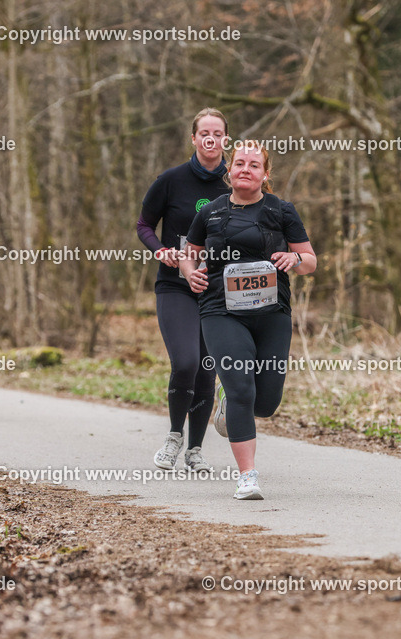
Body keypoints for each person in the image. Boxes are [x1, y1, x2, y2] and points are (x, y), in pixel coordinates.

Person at [180, 142, 316, 499]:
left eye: (254, 165)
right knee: (242, 388)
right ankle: (247, 476)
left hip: (272, 313)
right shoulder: (209, 212)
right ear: (230, 169)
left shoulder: (281, 211)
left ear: (265, 174)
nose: (245, 169)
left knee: (266, 401)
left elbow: (310, 260)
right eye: (239, 163)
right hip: (220, 311)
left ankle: (229, 402)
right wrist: (191, 274)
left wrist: (294, 261)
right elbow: (188, 255)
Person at [137, 108, 231, 472]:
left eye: (217, 133)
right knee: (187, 361)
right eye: (203, 132)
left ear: (226, 139)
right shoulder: (171, 180)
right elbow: (144, 223)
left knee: (207, 369)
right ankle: (174, 437)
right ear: (193, 138)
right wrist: (159, 249)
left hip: (217, 289)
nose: (210, 138)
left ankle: (195, 449)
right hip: (175, 286)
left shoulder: (235, 183)